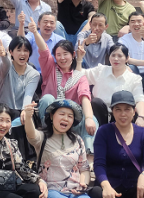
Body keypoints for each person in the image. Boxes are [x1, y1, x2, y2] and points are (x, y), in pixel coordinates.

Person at [24, 99, 102, 198]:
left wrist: (83, 184)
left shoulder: (78, 140)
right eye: (62, 114)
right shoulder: (42, 138)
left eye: (70, 116)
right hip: (50, 191)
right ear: (51, 116)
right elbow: (31, 133)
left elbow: (84, 169)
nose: (66, 118)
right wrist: (28, 116)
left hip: (74, 191)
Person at [28, 19, 98, 157]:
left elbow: (84, 97)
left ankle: (88, 156)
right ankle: (48, 136)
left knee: (92, 120)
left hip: (71, 118)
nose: (62, 58)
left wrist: (89, 118)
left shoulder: (80, 77)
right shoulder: (50, 68)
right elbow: (44, 51)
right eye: (58, 55)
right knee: (47, 98)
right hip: (50, 118)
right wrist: (35, 32)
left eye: (65, 54)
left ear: (73, 55)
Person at [78, 44, 144, 131]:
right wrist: (79, 59)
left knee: (142, 115)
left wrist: (141, 117)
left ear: (127, 58)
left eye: (120, 56)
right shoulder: (100, 71)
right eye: (113, 55)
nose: (116, 59)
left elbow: (139, 99)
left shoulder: (134, 79)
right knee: (96, 102)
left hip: (122, 115)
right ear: (109, 57)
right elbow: (79, 76)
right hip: (100, 114)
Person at [0, 36, 41, 119]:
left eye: (25, 50)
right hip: (3, 110)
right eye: (19, 50)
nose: (22, 54)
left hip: (21, 111)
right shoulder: (6, 68)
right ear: (11, 52)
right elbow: (6, 63)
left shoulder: (34, 74)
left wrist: (25, 110)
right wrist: (4, 55)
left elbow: (29, 94)